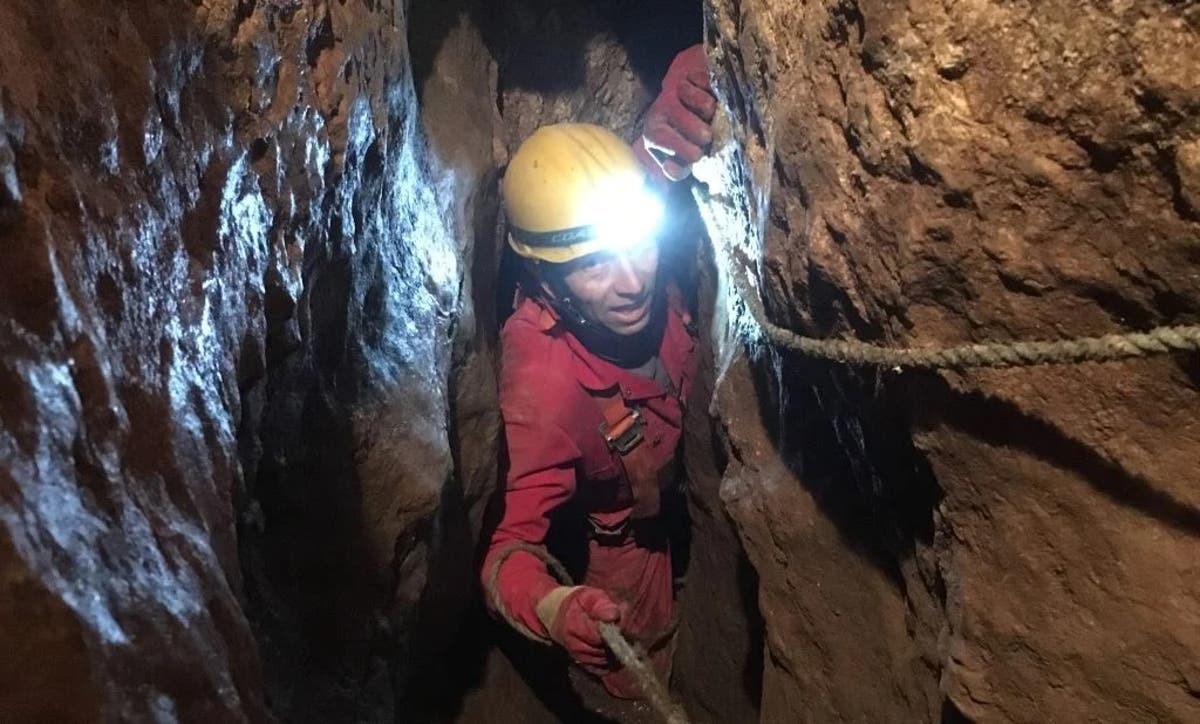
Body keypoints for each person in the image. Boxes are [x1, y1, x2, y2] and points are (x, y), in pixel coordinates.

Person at [481, 46, 717, 700]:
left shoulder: (612, 214)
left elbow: (654, 159)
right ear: (546, 280)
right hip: (626, 531)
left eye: (639, 243)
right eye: (594, 267)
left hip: (691, 444)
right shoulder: (544, 382)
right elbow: (508, 554)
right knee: (635, 668)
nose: (634, 278)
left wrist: (691, 91)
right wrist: (555, 608)